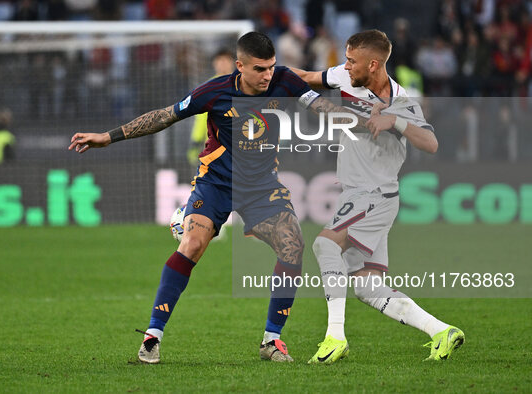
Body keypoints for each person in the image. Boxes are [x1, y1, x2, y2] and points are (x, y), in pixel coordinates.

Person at [69, 32, 334, 364]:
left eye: (270, 67)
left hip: (261, 188)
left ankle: (272, 340)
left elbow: (321, 105)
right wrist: (108, 138)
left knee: (293, 245)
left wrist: (364, 120)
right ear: (240, 66)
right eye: (259, 69)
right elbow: (165, 116)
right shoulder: (216, 91)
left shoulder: (284, 81)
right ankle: (152, 338)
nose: (267, 75)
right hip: (216, 184)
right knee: (192, 245)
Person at [292, 30, 465, 364]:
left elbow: (431, 144)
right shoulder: (346, 76)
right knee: (368, 288)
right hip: (363, 195)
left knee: (325, 244)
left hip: (374, 195)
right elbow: (307, 77)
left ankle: (334, 337)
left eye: (352, 61)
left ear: (373, 64)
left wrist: (394, 122)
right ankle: (442, 331)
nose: (345, 66)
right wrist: (269, 73)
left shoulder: (401, 101)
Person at [187, 49, 235, 167]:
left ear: (233, 62)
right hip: (214, 147)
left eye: (226, 60)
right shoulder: (208, 87)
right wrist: (196, 140)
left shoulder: (244, 84)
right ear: (214, 63)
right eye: (219, 60)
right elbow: (201, 117)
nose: (223, 63)